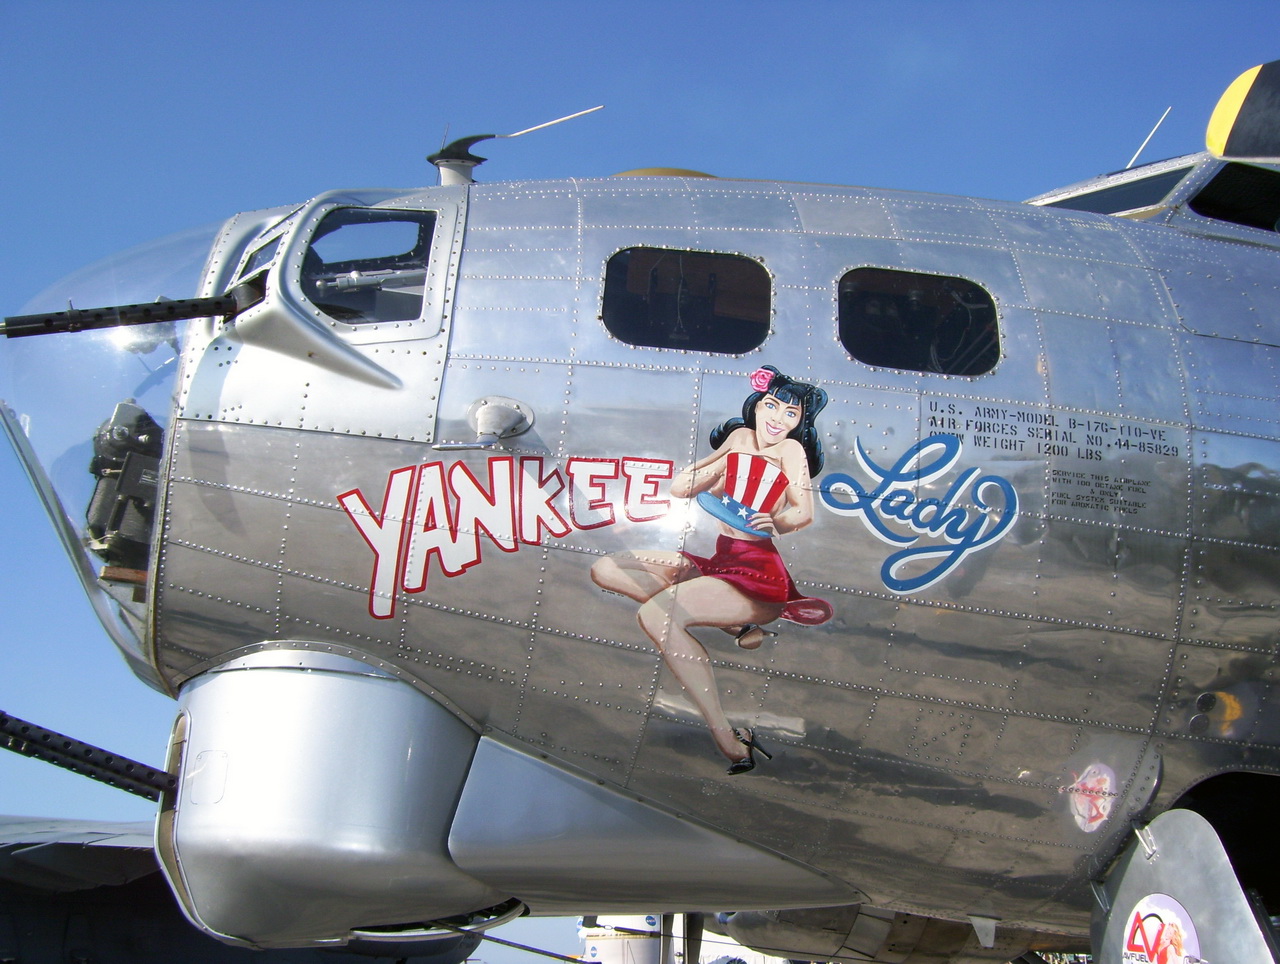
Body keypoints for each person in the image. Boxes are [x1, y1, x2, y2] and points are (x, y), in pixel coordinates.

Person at [591, 366, 831, 773]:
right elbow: (682, 488)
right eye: (772, 406)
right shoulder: (738, 439)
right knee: (606, 568)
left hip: (757, 574)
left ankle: (724, 734)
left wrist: (778, 523)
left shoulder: (790, 452)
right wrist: (719, 468)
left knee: (657, 616)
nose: (778, 419)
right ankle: (733, 626)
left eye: (791, 415)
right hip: (722, 560)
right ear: (758, 406)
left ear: (799, 423)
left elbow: (804, 511)